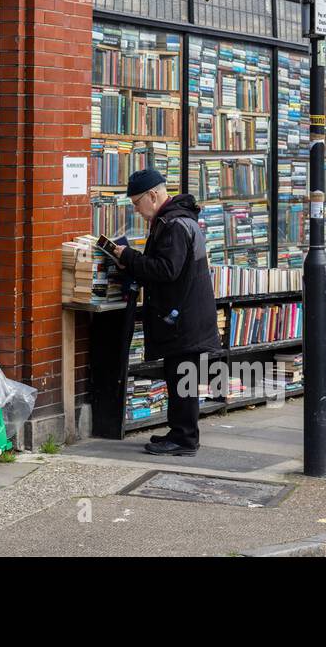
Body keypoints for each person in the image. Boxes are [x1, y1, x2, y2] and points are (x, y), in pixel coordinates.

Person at [112, 169, 219, 457]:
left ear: (153, 195)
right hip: (183, 316)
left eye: (137, 202)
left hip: (184, 319)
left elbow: (166, 270)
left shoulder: (173, 225)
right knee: (177, 376)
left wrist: (129, 257)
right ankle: (179, 432)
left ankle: (185, 439)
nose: (136, 209)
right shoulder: (175, 221)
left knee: (182, 377)